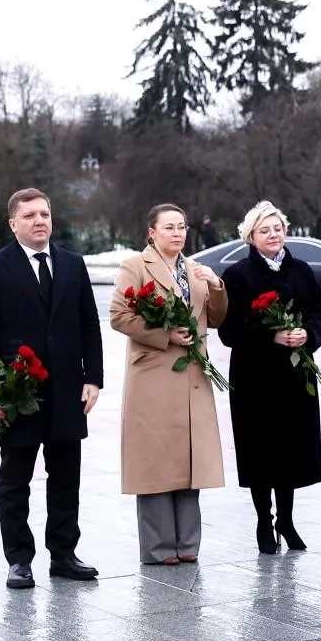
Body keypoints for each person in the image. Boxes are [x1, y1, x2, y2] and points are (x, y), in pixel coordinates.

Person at [0, 188, 104, 589]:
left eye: (44, 214)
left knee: (66, 477)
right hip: (18, 391)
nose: (39, 221)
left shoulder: (72, 263)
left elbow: (89, 324)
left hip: (68, 390)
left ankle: (64, 554)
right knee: (15, 480)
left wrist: (93, 378)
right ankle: (19, 559)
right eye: (30, 215)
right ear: (13, 223)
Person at [109, 204, 228, 565]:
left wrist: (216, 285)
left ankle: (188, 544)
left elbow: (216, 318)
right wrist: (165, 335)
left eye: (182, 227)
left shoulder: (194, 269)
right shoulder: (135, 266)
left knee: (190, 459)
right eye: (169, 227)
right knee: (156, 461)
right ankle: (159, 547)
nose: (177, 233)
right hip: (154, 376)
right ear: (152, 232)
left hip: (193, 376)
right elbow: (119, 316)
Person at [218, 201, 321, 555]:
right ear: (250, 237)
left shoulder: (301, 270)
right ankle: (262, 521)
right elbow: (229, 330)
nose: (273, 235)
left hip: (295, 375)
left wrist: (307, 333)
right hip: (254, 378)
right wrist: (271, 336)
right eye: (264, 230)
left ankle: (286, 519)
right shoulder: (238, 275)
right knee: (260, 450)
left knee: (290, 449)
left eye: (278, 229)